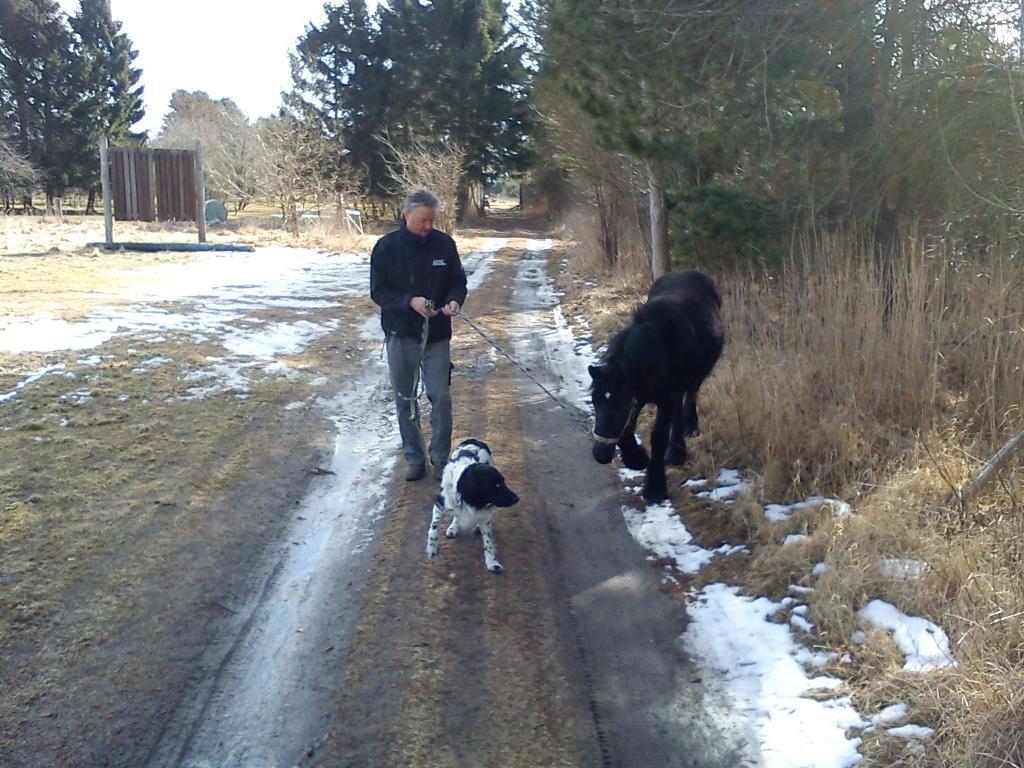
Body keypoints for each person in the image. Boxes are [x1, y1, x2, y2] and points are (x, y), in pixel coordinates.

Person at [370, 189, 468, 482]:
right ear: (406, 215)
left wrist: (454, 301)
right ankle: (415, 458)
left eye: (431, 221)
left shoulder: (444, 244)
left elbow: (457, 281)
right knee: (405, 398)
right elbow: (378, 292)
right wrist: (409, 301)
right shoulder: (386, 247)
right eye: (422, 220)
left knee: (440, 396)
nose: (428, 226)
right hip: (401, 334)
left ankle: (440, 460)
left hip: (437, 336)